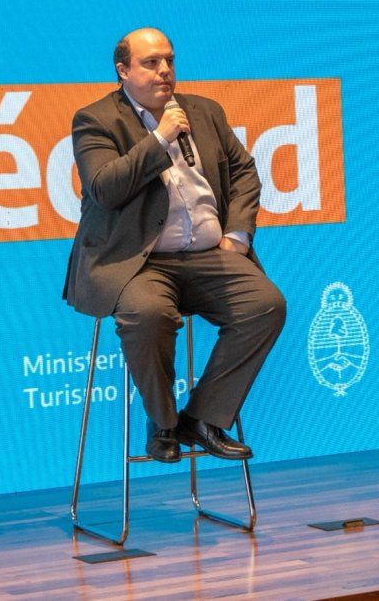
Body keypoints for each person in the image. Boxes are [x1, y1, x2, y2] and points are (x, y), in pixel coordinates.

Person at [63, 27, 286, 463]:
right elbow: (105, 189)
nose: (165, 71)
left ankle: (202, 419)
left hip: (208, 257)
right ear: (123, 70)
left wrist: (237, 235)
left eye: (169, 60)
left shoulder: (205, 112)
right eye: (151, 63)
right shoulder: (96, 120)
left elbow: (243, 172)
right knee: (147, 314)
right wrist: (159, 139)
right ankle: (162, 422)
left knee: (266, 305)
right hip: (135, 263)